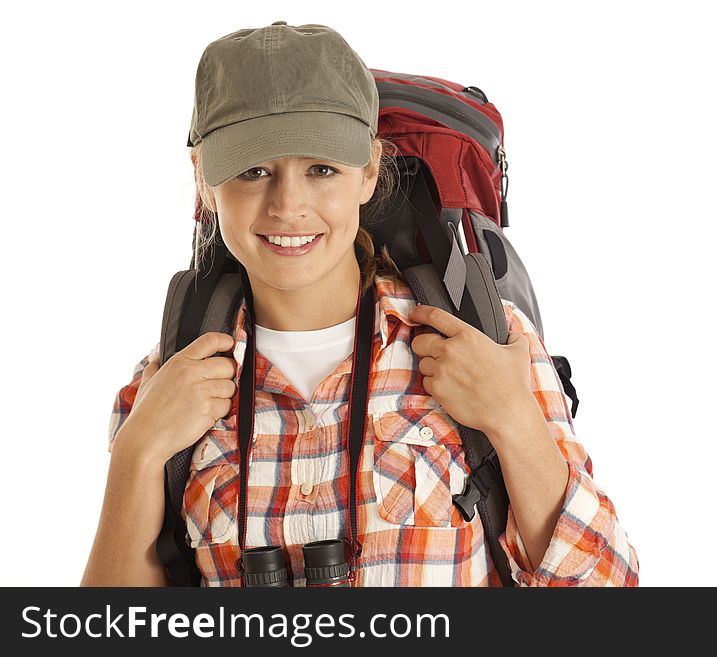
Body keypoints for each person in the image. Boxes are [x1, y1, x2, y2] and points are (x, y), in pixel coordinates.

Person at [81, 21, 639, 587]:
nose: (288, 205)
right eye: (254, 171)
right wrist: (138, 455)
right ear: (203, 178)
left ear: (370, 170)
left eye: (322, 169)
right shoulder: (165, 385)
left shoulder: (486, 345)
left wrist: (513, 419)